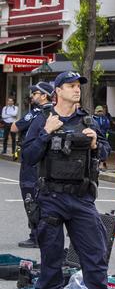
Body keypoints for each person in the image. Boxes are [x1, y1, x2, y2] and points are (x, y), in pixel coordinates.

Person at [21, 71, 115, 289]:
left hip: (81, 198)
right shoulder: (44, 118)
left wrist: (93, 144)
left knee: (94, 253)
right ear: (58, 90)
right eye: (71, 86)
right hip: (51, 198)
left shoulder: (87, 119)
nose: (76, 90)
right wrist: (46, 132)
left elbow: (104, 152)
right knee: (51, 255)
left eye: (78, 86)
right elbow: (29, 156)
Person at [12, 82, 54, 248]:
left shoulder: (38, 112)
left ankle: (36, 236)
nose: (33, 96)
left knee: (31, 198)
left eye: (36, 93)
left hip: (32, 162)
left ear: (44, 96)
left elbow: (15, 127)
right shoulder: (55, 111)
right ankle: (42, 235)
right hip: (45, 162)